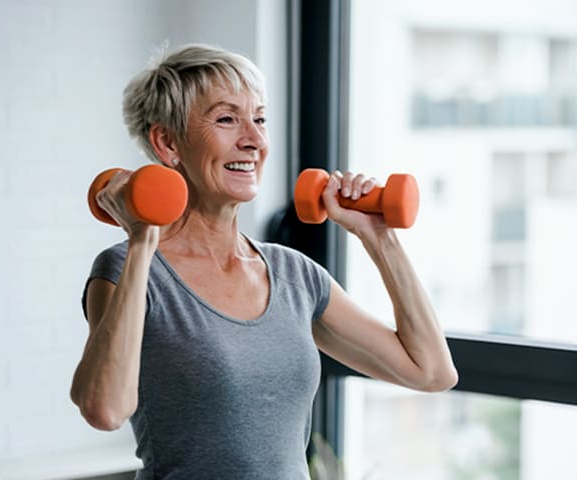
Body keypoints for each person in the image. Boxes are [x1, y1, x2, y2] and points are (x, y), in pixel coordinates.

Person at [70, 43, 458, 480]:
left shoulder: (295, 275)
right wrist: (143, 239)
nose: (253, 140)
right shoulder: (127, 270)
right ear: (168, 142)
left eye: (259, 118)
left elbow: (431, 371)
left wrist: (380, 239)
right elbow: (104, 409)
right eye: (226, 119)